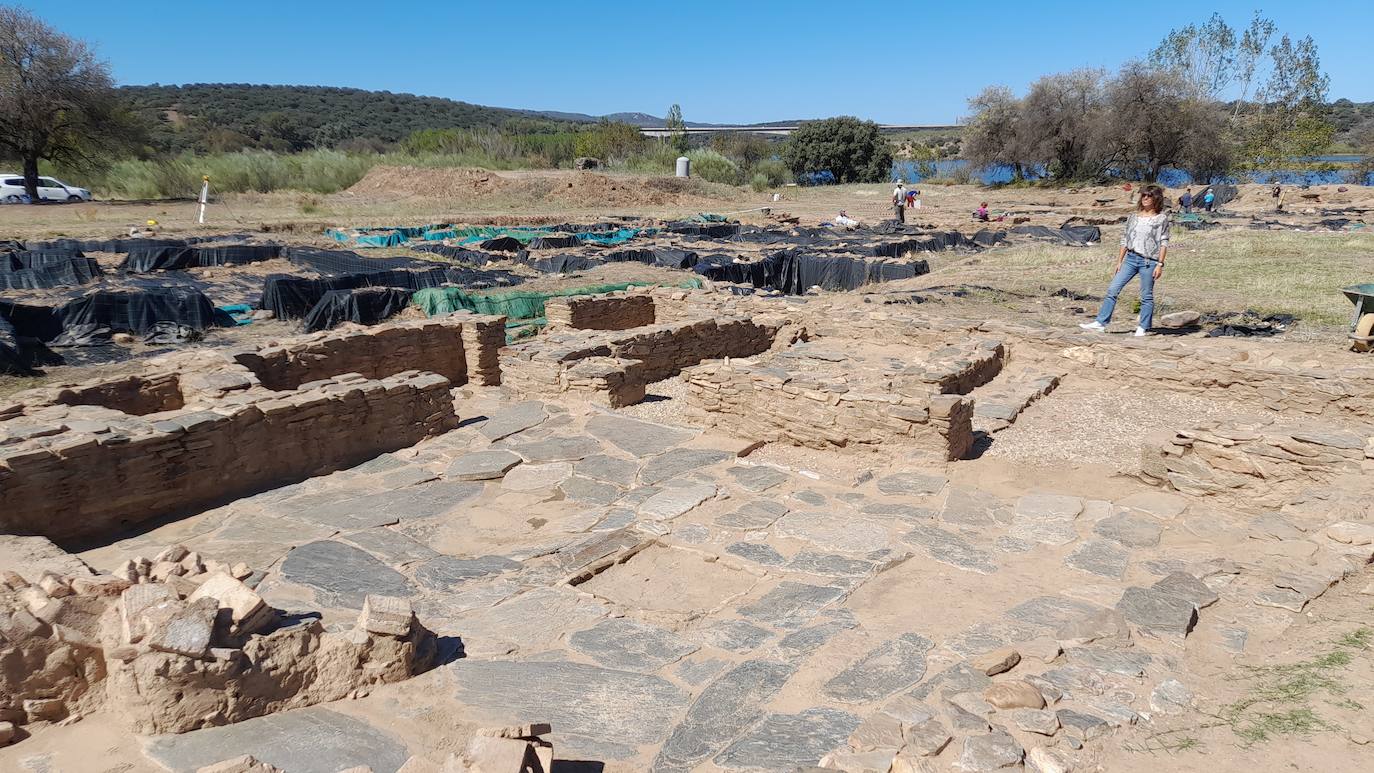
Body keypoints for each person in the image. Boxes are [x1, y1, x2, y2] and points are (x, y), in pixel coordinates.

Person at [1079, 183, 1170, 337]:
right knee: (1112, 289)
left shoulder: (1161, 219)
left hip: (1149, 262)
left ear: (1156, 199)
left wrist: (1160, 264)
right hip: (1130, 259)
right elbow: (1125, 239)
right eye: (1143, 195)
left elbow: (1164, 242)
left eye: (1149, 196)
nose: (1145, 198)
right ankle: (1101, 323)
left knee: (1146, 295)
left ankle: (1143, 327)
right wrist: (1120, 261)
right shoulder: (1133, 217)